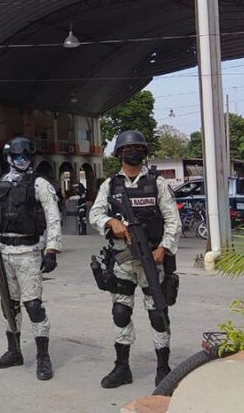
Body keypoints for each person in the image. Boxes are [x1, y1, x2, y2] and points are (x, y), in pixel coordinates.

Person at [88, 130, 181, 389]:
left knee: (158, 313)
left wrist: (164, 247)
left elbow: (173, 220)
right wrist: (110, 221)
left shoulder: (157, 184)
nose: (133, 152)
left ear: (144, 152)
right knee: (121, 311)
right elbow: (94, 214)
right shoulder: (110, 185)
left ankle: (163, 368)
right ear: (119, 154)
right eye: (128, 149)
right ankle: (122, 367)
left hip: (153, 258)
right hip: (123, 259)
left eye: (138, 148)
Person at [0, 137, 62, 381]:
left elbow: (53, 217)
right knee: (9, 304)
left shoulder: (40, 185)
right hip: (3, 252)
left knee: (33, 305)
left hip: (28, 252)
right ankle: (14, 351)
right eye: (18, 157)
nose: (22, 161)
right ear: (9, 158)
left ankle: (43, 357)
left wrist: (52, 249)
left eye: (26, 156)